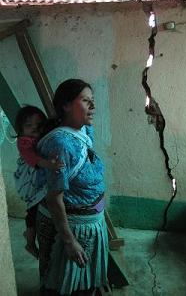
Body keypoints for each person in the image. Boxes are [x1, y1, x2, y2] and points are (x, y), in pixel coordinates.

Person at [36, 79, 109, 296]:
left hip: (91, 225)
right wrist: (69, 242)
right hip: (71, 230)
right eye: (86, 101)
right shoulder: (61, 144)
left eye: (92, 101)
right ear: (66, 105)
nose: (93, 107)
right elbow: (54, 198)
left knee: (83, 284)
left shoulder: (85, 131)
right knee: (61, 286)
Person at [14, 105, 63, 259]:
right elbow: (33, 159)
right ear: (21, 129)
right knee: (33, 213)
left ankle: (30, 235)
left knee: (36, 213)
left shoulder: (40, 138)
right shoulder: (24, 142)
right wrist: (49, 164)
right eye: (29, 126)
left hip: (38, 178)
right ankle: (29, 243)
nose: (34, 129)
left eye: (38, 125)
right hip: (29, 180)